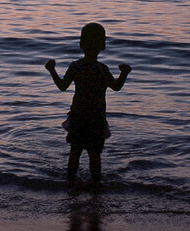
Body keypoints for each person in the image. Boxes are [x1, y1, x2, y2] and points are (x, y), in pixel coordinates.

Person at [45, 23, 131, 184]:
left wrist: (52, 70)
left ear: (81, 44)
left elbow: (62, 86)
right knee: (95, 154)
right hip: (96, 118)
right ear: (103, 45)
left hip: (78, 116)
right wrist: (124, 73)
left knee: (75, 152)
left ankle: (70, 183)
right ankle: (96, 185)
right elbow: (117, 87)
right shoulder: (102, 69)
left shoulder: (76, 66)